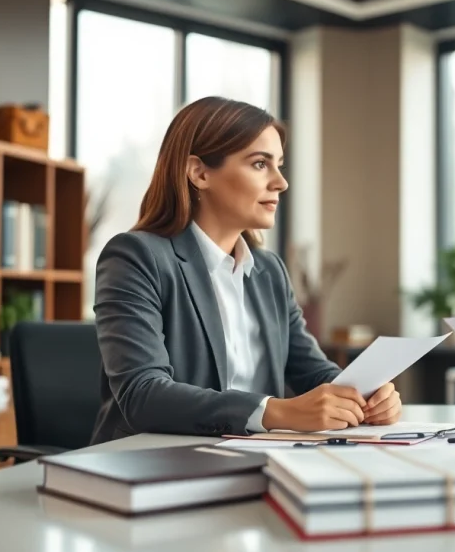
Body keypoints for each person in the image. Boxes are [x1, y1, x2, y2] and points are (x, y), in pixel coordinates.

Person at [90, 96, 401, 444]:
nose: (280, 182)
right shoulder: (135, 257)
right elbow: (143, 394)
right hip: (148, 462)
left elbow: (311, 369)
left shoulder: (269, 271)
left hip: (254, 457)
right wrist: (276, 412)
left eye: (279, 165)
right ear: (200, 172)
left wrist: (364, 395)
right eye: (259, 164)